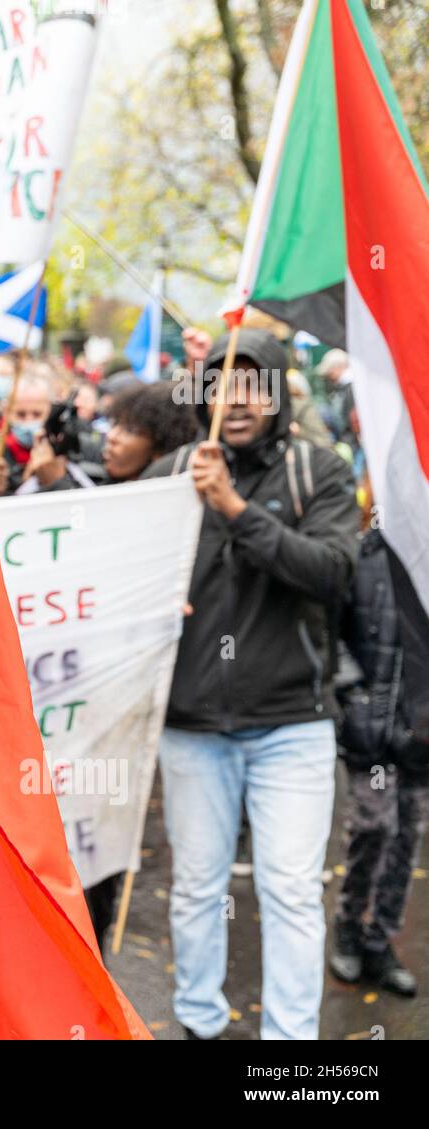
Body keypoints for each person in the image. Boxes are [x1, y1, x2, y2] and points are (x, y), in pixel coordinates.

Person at [141, 327, 360, 1040]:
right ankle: (199, 1022)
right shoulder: (172, 471)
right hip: (193, 725)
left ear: (277, 394)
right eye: (222, 384)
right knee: (199, 887)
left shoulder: (317, 471)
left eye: (252, 384)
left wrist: (235, 508)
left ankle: (291, 1047)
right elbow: (129, 572)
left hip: (291, 723)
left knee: (293, 890)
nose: (235, 399)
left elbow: (332, 573)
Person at [330, 527, 427, 997]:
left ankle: (380, 940)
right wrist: (355, 697)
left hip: (421, 734)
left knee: (407, 835)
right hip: (370, 730)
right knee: (374, 826)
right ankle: (349, 925)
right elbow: (329, 632)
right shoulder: (359, 554)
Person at [0, 371, 54, 497]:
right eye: (21, 414)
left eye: (37, 414)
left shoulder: (60, 449)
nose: (29, 422)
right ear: (7, 412)